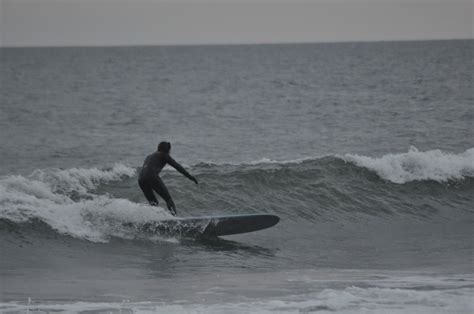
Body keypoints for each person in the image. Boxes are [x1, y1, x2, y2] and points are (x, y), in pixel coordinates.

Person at [138, 141, 197, 216]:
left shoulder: (149, 156)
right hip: (152, 176)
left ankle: (154, 220)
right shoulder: (163, 155)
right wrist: (190, 177)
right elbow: (177, 166)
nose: (169, 152)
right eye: (169, 150)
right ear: (167, 150)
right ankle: (175, 219)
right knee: (168, 199)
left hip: (141, 179)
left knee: (153, 203)